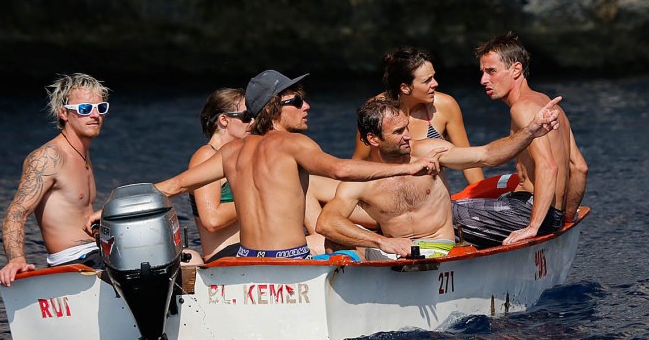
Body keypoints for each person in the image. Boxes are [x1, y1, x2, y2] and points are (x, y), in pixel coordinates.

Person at [154, 70, 447, 259]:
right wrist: (407, 167)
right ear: (273, 109)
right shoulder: (293, 144)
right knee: (345, 247)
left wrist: (110, 210)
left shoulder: (232, 151)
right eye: (297, 101)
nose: (306, 107)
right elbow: (340, 170)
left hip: (247, 260)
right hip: (289, 261)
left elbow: (175, 185)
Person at [316, 94, 562, 259]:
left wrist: (530, 131)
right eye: (399, 132)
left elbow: (487, 155)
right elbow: (326, 223)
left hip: (443, 251)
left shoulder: (428, 151)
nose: (409, 136)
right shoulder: (360, 181)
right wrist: (381, 242)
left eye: (407, 129)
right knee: (328, 242)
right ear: (374, 139)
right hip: (395, 255)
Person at [453, 32, 589, 246]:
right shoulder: (552, 106)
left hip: (527, 211)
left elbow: (548, 167)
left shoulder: (523, 108)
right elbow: (580, 168)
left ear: (516, 69)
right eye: (482, 73)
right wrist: (566, 219)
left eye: (491, 72)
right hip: (549, 214)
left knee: (444, 211)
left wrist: (533, 227)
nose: (483, 80)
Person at [0, 73, 111, 286]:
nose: (95, 116)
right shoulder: (48, 157)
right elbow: (16, 212)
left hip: (98, 254)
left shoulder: (82, 152)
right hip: (75, 263)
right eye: (85, 109)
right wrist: (16, 259)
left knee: (187, 257)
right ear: (64, 113)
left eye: (101, 108)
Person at [352, 47, 484, 185]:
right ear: (405, 87)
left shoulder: (445, 106)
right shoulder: (377, 112)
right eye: (427, 80)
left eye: (433, 76)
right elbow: (359, 162)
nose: (435, 84)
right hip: (388, 195)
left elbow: (469, 162)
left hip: (433, 199)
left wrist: (484, 197)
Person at [188, 88, 253, 262]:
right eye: (247, 116)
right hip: (225, 256)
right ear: (224, 120)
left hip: (250, 250)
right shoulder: (206, 156)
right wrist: (257, 197)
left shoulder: (239, 157)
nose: (253, 122)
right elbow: (212, 219)